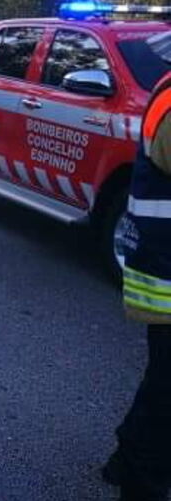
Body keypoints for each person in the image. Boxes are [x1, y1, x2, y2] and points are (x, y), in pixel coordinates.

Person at [102, 32, 171, 501]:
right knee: (168, 390)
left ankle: (126, 461)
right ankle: (140, 484)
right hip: (167, 272)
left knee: (164, 382)